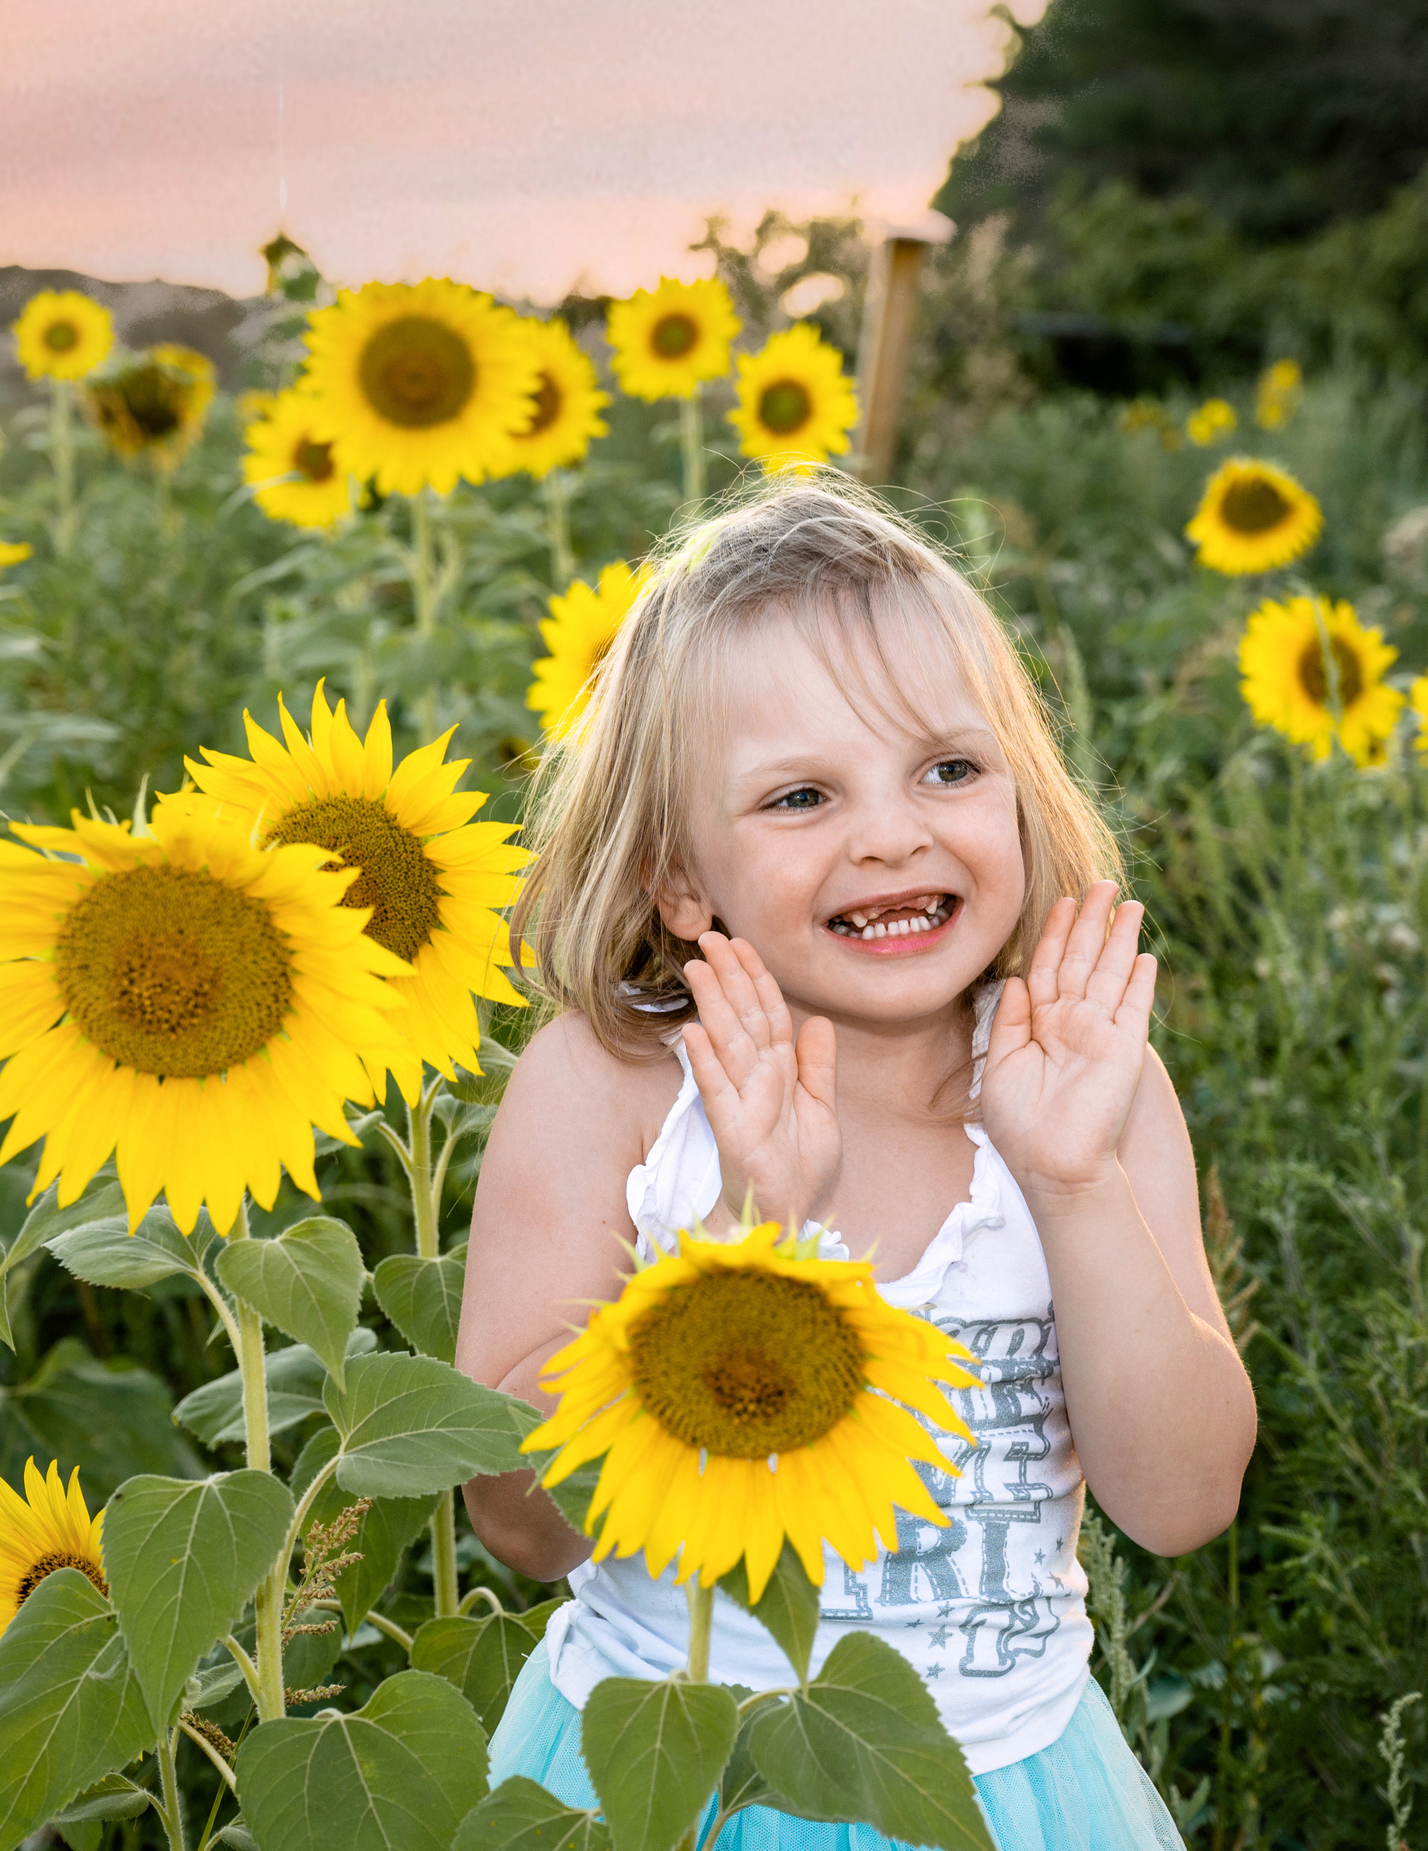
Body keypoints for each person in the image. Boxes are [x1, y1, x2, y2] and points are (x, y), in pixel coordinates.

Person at [456, 475, 1254, 1849]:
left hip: (1000, 1791)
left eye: (949, 767)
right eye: (802, 794)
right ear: (680, 880)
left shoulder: (1083, 1088)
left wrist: (1072, 1185)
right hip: (669, 1777)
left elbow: (1182, 1502)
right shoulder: (621, 1090)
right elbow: (523, 1519)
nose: (890, 831)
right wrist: (738, 1236)